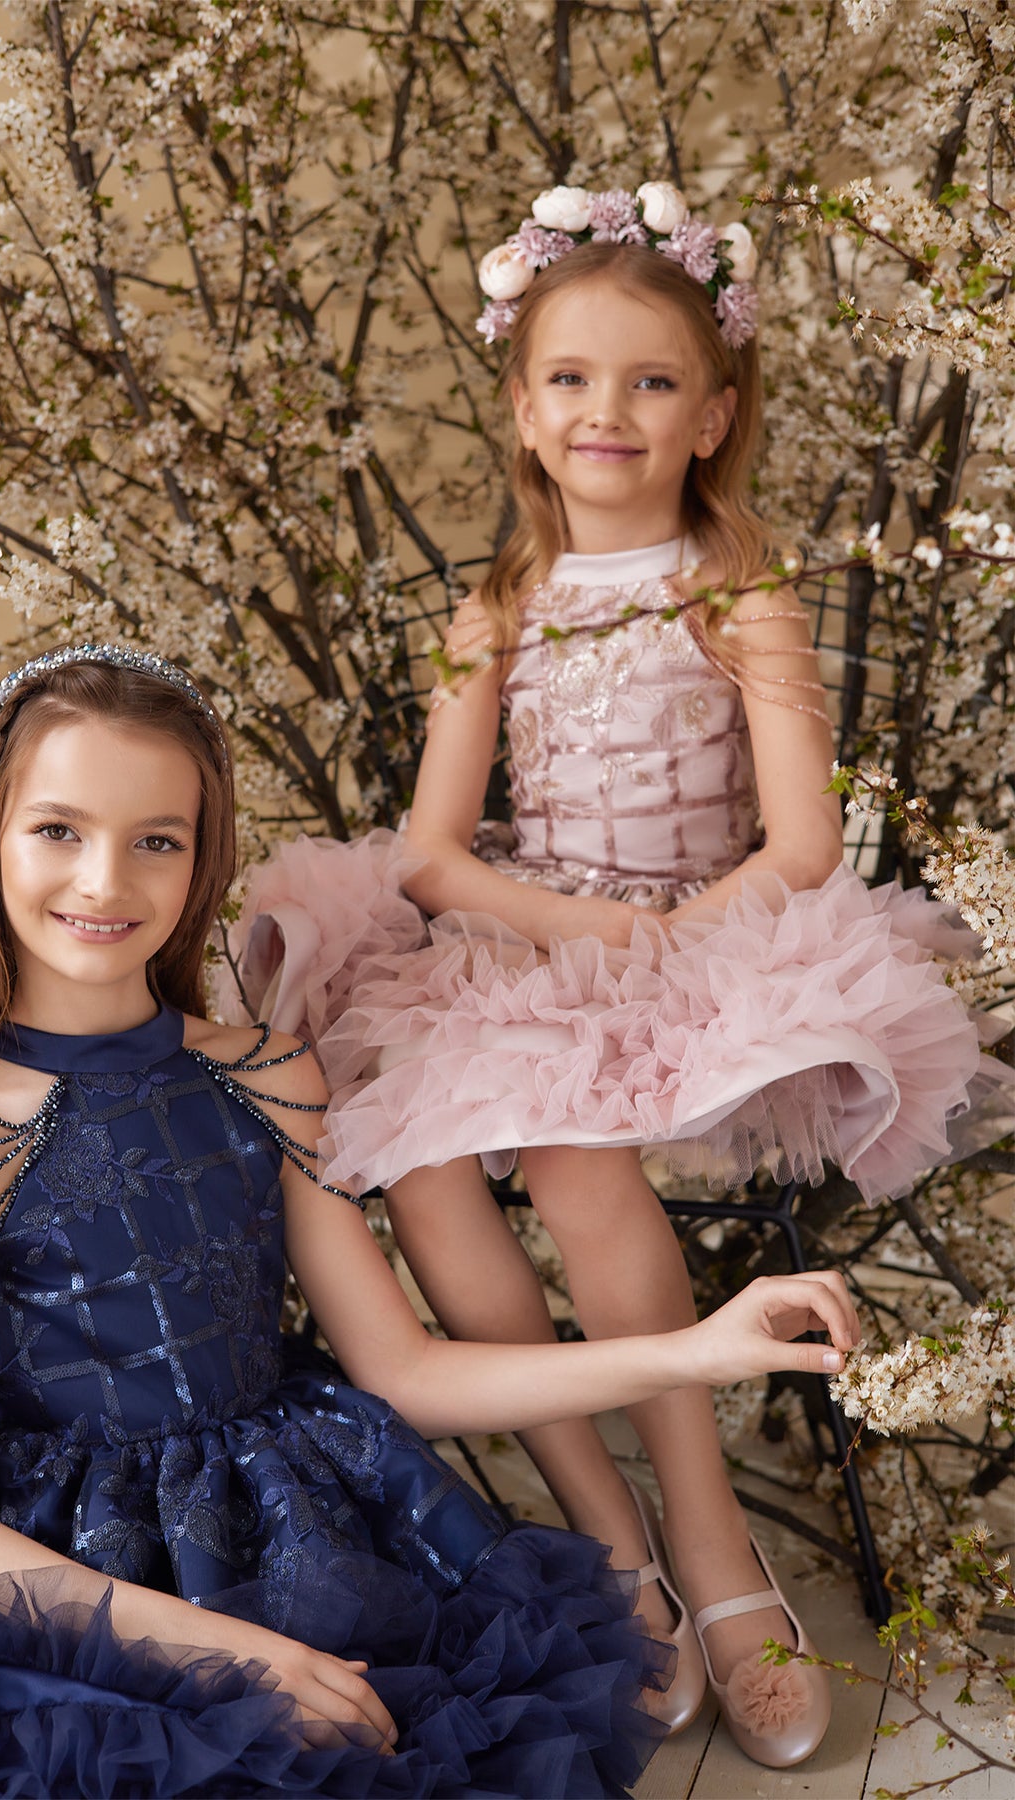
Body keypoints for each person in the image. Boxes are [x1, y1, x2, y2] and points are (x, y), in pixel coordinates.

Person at [226, 184, 1004, 1771]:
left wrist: (666, 939)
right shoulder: (496, 614)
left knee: (580, 1167)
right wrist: (572, 933)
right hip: (528, 943)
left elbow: (802, 841)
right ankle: (605, 1527)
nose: (608, 410)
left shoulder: (740, 594)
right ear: (523, 407)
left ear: (711, 416)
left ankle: (713, 1546)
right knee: (425, 1166)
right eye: (572, 378)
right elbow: (431, 860)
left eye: (652, 381)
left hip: (707, 941)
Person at [0, 643, 863, 1799]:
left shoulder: (265, 1073)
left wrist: (697, 1350)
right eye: (58, 830)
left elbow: (405, 1371)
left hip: (290, 1521)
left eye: (156, 840)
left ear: (203, 858)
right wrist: (234, 1656)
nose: (104, 882)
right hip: (75, 1576)